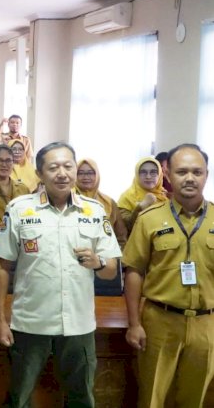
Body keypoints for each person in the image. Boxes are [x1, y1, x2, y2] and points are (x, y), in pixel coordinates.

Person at [0, 142, 122, 408]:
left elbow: (111, 271)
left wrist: (98, 262)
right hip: (30, 323)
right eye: (53, 168)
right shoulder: (19, 209)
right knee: (19, 398)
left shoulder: (95, 211)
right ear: (39, 173)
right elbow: (1, 267)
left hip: (78, 324)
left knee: (81, 398)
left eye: (67, 166)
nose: (62, 173)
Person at [123, 144, 214, 407]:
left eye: (197, 172)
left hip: (206, 323)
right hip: (160, 322)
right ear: (169, 175)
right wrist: (134, 324)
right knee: (152, 397)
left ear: (206, 175)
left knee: (196, 398)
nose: (190, 178)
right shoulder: (149, 219)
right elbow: (134, 271)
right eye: (182, 171)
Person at [75, 158, 128, 248]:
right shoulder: (67, 200)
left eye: (90, 173)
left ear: (97, 175)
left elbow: (121, 236)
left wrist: (115, 255)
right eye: (80, 173)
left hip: (104, 254)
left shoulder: (108, 202)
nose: (85, 177)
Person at [118, 157, 168, 233]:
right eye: (143, 172)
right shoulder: (127, 197)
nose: (148, 176)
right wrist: (141, 206)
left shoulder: (164, 195)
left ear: (160, 175)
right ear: (137, 174)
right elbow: (125, 227)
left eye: (153, 172)